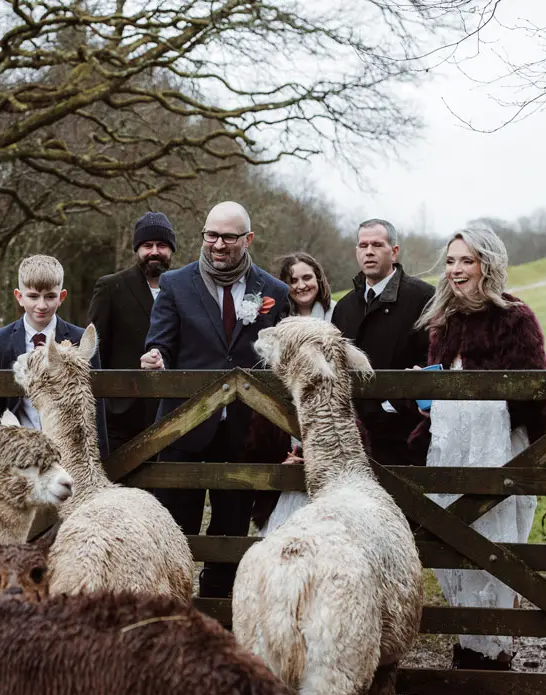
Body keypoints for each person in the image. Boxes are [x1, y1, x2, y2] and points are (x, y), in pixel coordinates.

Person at [409, 225, 546, 695]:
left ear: (487, 264)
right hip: (451, 449)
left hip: (498, 452)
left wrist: (541, 453)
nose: (455, 270)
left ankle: (493, 668)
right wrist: (427, 397)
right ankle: (469, 653)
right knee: (455, 546)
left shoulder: (515, 319)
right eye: (450, 261)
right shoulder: (443, 321)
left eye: (465, 261)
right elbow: (438, 386)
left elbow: (534, 390)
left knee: (494, 547)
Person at [142, 201, 289, 598]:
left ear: (248, 239)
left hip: (245, 433)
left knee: (231, 529)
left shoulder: (274, 292)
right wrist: (156, 357)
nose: (218, 245)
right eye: (211, 235)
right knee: (174, 525)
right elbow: (161, 342)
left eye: (228, 237)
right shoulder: (175, 284)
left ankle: (218, 611)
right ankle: (171, 607)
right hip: (184, 427)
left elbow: (281, 361)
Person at [330, 218, 434, 466]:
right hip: (353, 436)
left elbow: (431, 357)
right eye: (362, 245)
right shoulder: (344, 307)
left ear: (394, 251)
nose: (369, 252)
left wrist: (393, 405)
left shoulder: (423, 297)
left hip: (406, 433)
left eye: (377, 244)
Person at [0, 254, 108, 457]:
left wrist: (99, 453)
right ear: (19, 296)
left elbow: (95, 402)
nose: (41, 305)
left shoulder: (79, 338)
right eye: (33, 296)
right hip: (21, 449)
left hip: (70, 449)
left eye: (50, 296)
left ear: (61, 297)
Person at [252, 253, 334, 537]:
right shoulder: (278, 322)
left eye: (307, 277)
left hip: (327, 417)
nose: (300, 285)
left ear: (319, 279)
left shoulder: (337, 316)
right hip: (285, 418)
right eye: (293, 280)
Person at [88, 211, 177, 452]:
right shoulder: (110, 288)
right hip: (121, 421)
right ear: (137, 249)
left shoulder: (185, 288)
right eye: (147, 245)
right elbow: (94, 355)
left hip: (175, 417)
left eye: (162, 245)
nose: (155, 251)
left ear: (172, 250)